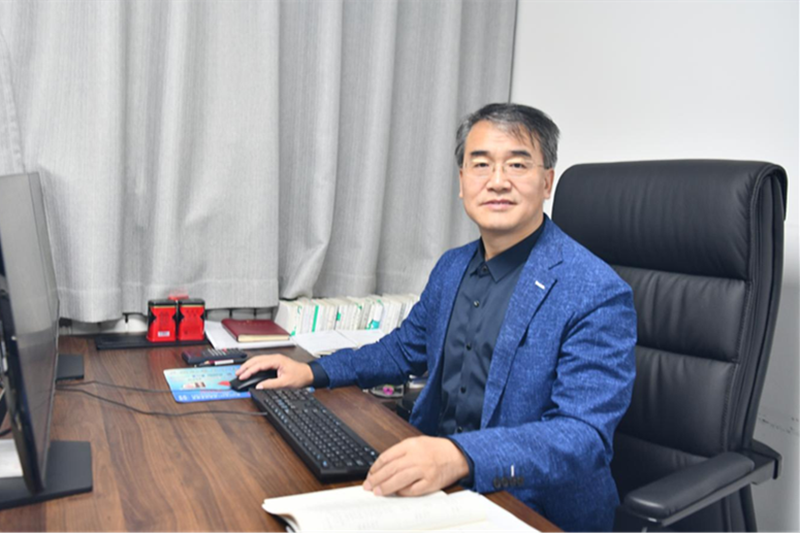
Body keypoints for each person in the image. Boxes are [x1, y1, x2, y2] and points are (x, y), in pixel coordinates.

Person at [237, 103, 637, 532]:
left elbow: (583, 434)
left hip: (533, 508)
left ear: (546, 182)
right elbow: (401, 350)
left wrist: (460, 456)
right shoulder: (452, 266)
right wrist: (311, 372)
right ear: (462, 182)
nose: (497, 181)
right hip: (439, 490)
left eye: (517, 164)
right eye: (480, 164)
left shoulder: (595, 291)